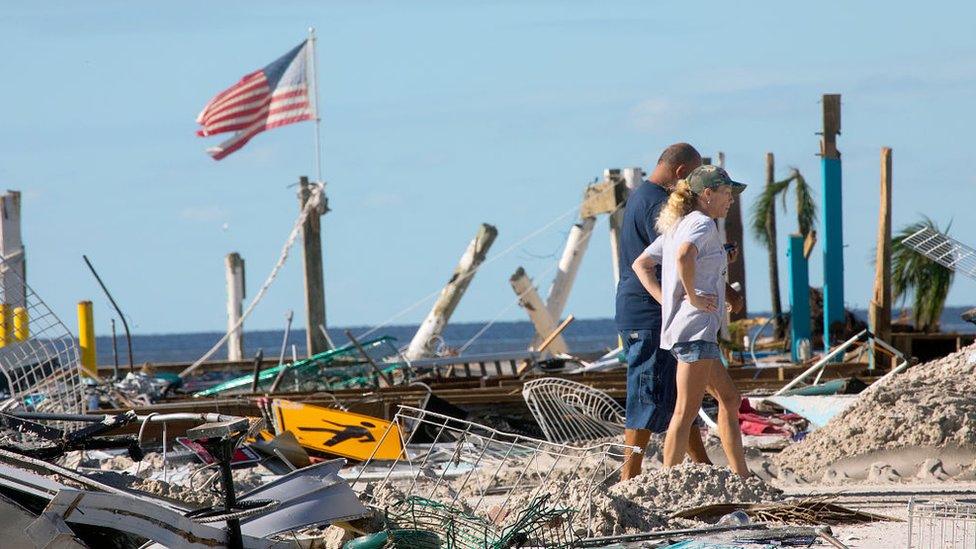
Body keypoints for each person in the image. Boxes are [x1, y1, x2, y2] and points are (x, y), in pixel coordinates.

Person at [632, 165, 750, 478]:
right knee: (685, 411)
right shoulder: (702, 223)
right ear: (707, 195)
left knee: (729, 399)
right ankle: (668, 481)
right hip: (695, 329)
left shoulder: (678, 225)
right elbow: (684, 256)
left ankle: (743, 477)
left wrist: (668, 299)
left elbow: (642, 264)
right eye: (726, 193)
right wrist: (693, 299)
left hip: (690, 329)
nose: (731, 200)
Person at [615, 143, 712, 481]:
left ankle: (703, 468)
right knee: (648, 394)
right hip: (647, 313)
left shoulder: (641, 196)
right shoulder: (657, 203)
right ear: (681, 173)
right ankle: (629, 476)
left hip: (644, 310)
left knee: (676, 397)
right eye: (693, 179)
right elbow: (678, 254)